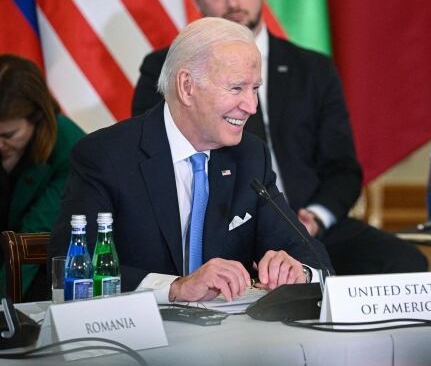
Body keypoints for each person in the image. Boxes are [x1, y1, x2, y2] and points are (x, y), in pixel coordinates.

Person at [132, 0, 427, 275]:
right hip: (222, 231)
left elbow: (343, 168)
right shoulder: (167, 68)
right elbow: (152, 159)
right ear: (197, 0)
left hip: (308, 223)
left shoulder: (312, 69)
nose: (232, 2)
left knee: (405, 262)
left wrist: (314, 217)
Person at [49, 18, 331, 302]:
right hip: (137, 337)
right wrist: (174, 288)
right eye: (236, 89)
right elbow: (74, 270)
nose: (251, 107)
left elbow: (312, 255)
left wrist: (300, 271)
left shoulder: (249, 156)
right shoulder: (105, 156)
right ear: (187, 87)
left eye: (255, 89)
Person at [0, 55, 84, 300]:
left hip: (36, 274)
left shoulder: (70, 150)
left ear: (37, 118)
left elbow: (31, 240)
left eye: (8, 135)